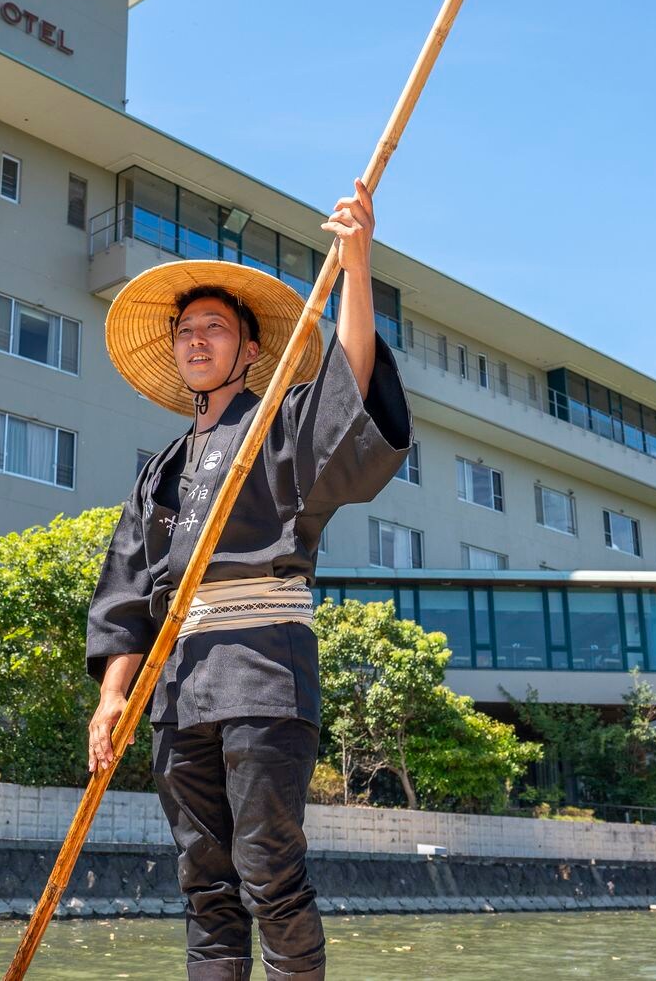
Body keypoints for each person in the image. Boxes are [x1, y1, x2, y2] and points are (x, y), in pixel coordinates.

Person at [87, 179, 413, 980]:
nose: (197, 341)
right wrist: (112, 696)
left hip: (263, 670)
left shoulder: (278, 425)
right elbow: (128, 595)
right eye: (185, 330)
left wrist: (358, 262)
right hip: (176, 687)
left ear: (249, 347)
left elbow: (350, 381)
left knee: (268, 869)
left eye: (215, 328)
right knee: (205, 884)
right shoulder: (158, 472)